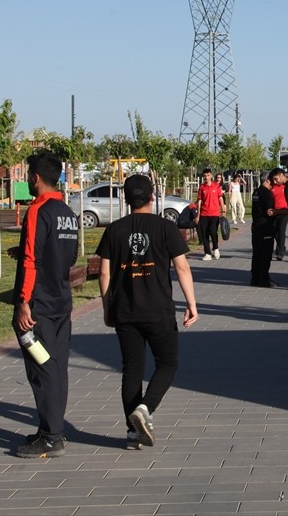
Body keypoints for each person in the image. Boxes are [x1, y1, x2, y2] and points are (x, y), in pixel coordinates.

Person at [96, 174, 199, 451]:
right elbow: (182, 268)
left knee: (132, 369)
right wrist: (191, 303)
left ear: (126, 199)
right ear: (152, 197)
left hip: (125, 310)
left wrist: (107, 309)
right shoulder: (165, 228)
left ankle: (132, 434)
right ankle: (145, 408)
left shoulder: (114, 230)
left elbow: (104, 273)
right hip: (158, 309)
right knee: (167, 363)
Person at [12, 151, 79, 458]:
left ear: (35, 178)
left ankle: (52, 436)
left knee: (42, 367)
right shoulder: (67, 210)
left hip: (38, 305)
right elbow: (68, 254)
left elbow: (31, 259)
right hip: (61, 301)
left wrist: (24, 302)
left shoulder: (39, 210)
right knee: (56, 366)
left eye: (28, 175)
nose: (27, 180)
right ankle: (50, 428)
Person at [249, 171, 282, 287]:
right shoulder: (267, 194)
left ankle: (255, 277)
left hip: (256, 226)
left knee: (256, 253)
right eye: (272, 180)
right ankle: (264, 278)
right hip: (265, 227)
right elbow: (270, 211)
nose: (274, 182)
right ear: (267, 180)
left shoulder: (256, 192)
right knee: (265, 254)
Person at [194, 168, 224, 261]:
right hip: (204, 213)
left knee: (213, 231)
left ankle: (215, 248)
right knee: (204, 234)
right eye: (204, 176)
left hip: (214, 213)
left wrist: (223, 210)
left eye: (208, 175)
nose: (206, 177)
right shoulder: (202, 187)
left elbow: (220, 199)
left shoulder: (217, 186)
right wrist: (198, 215)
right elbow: (199, 201)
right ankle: (207, 253)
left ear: (211, 176)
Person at [270, 167, 288, 261]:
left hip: (284, 212)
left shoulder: (286, 186)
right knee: (274, 232)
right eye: (273, 179)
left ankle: (280, 252)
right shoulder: (272, 187)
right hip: (274, 212)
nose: (275, 181)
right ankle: (281, 246)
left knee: (281, 231)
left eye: (276, 179)